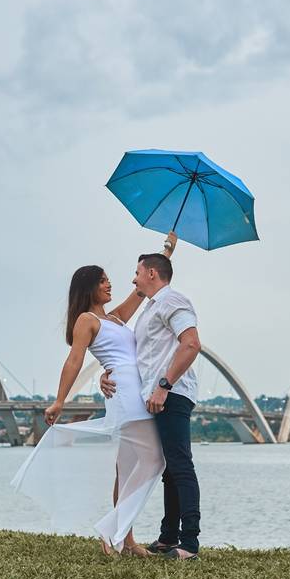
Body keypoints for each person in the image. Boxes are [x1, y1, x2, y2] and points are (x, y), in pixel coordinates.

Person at [11, 233, 177, 557]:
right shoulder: (86, 321)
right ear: (89, 287)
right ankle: (111, 531)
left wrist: (167, 251)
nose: (109, 285)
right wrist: (61, 400)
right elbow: (75, 359)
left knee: (127, 468)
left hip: (135, 389)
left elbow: (144, 288)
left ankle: (125, 541)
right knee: (155, 459)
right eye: (103, 281)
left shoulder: (114, 317)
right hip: (125, 394)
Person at [100, 250, 202, 560]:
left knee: (180, 464)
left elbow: (192, 343)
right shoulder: (150, 309)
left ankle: (189, 545)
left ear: (152, 275)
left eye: (137, 272)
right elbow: (135, 355)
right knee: (168, 469)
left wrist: (164, 385)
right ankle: (168, 538)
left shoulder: (174, 302)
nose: (133, 278)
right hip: (153, 396)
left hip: (171, 394)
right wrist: (107, 374)